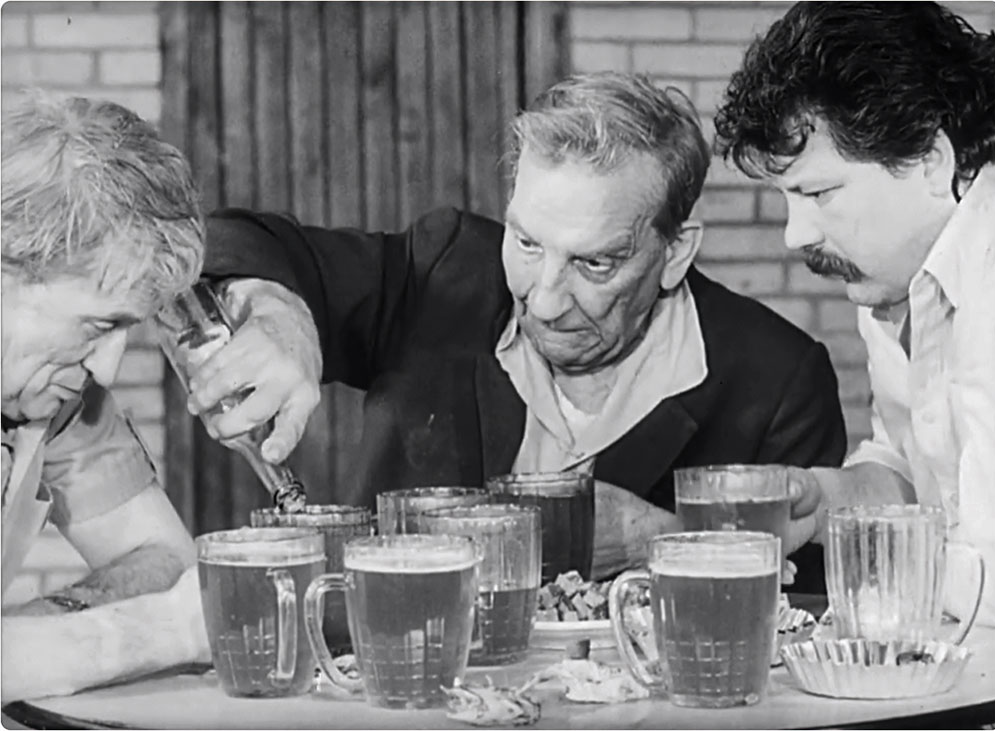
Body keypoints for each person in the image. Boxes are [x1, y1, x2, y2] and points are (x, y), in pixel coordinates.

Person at [193, 72, 847, 587]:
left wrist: (667, 542)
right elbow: (229, 240)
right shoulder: (442, 272)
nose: (546, 300)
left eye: (595, 263)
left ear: (675, 253)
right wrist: (281, 312)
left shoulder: (778, 381)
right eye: (528, 243)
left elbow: (810, 618)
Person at [713, 2, 995, 625]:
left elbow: (992, 571)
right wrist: (824, 503)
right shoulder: (893, 277)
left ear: (929, 160)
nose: (795, 235)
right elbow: (918, 476)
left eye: (819, 193)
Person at [1, 92, 209, 702]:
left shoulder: (54, 392)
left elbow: (163, 560)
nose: (107, 368)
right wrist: (160, 634)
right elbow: (179, 610)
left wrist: (36, 636)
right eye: (98, 325)